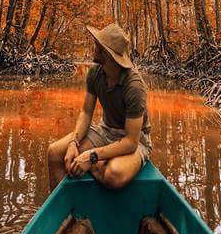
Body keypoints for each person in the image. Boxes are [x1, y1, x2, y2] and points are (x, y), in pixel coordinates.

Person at [47, 22, 152, 191]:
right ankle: (66, 214)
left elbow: (131, 142)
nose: (94, 47)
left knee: (113, 175)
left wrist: (92, 156)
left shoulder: (134, 86)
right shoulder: (95, 73)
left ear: (107, 54)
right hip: (105, 130)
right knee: (55, 153)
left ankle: (98, 165)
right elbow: (86, 112)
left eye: (98, 46)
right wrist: (74, 142)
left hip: (134, 139)